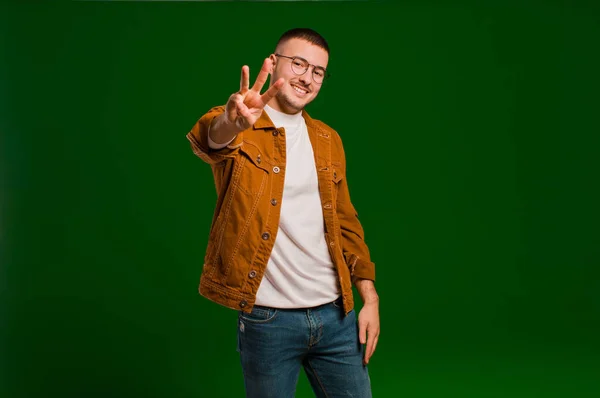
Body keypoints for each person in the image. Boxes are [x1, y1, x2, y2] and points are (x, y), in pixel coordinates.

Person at [186, 27, 380, 398]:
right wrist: (232, 122)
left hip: (337, 316)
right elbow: (211, 139)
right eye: (298, 64)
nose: (307, 78)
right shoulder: (242, 124)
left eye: (318, 72)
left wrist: (368, 296)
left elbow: (345, 223)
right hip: (268, 321)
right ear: (273, 64)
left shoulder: (328, 139)